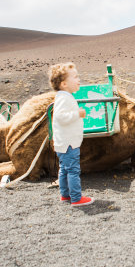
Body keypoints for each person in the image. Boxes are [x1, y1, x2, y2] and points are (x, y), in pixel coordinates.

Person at [48, 62, 94, 207]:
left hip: (64, 142)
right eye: (75, 77)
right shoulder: (64, 98)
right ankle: (76, 198)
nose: (78, 79)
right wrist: (77, 114)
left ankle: (65, 195)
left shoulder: (63, 97)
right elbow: (61, 117)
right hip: (69, 143)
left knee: (64, 169)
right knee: (73, 170)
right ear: (64, 84)